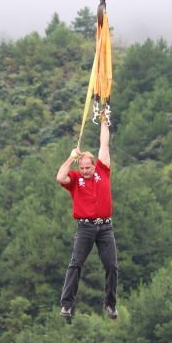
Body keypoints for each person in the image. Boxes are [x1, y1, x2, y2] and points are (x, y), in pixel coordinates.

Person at [56, 119, 119, 319]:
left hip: (105, 228)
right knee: (76, 264)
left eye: (88, 168)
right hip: (85, 228)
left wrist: (103, 123)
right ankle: (67, 305)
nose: (85, 171)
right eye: (82, 168)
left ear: (93, 165)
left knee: (111, 265)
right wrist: (70, 157)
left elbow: (104, 145)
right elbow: (60, 177)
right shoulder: (75, 178)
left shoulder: (103, 169)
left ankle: (110, 304)